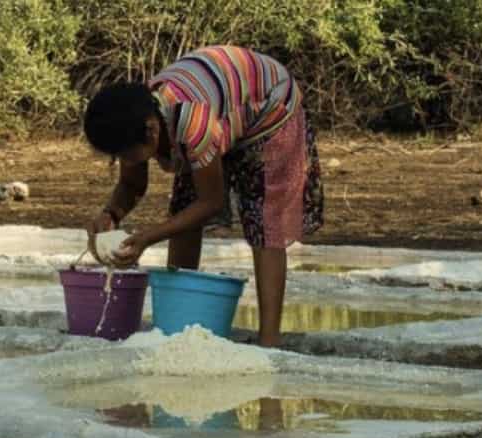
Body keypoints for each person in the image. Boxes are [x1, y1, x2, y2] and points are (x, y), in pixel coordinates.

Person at [82, 45, 324, 347]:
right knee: (183, 209)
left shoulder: (192, 122)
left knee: (265, 221)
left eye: (127, 154)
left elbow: (211, 202)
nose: (127, 161)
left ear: (152, 131)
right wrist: (110, 215)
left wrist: (148, 237)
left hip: (269, 109)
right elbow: (132, 185)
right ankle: (179, 323)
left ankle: (269, 339)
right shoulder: (135, 119)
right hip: (219, 108)